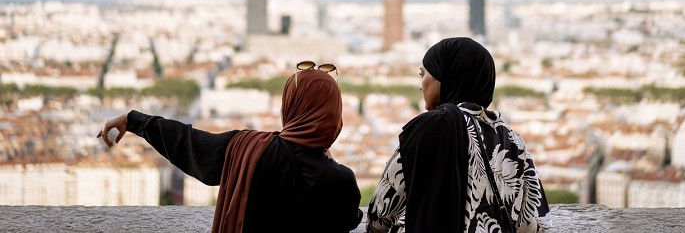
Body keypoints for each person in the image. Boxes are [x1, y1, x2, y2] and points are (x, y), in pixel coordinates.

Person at [98, 64, 362, 233]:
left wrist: (134, 121)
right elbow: (349, 220)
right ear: (333, 114)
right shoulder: (340, 180)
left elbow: (189, 143)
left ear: (290, 106)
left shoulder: (246, 147)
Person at [367, 37, 552, 232]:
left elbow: (380, 214)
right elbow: (537, 223)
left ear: (445, 76)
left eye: (423, 74)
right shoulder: (513, 140)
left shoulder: (427, 130)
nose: (420, 85)